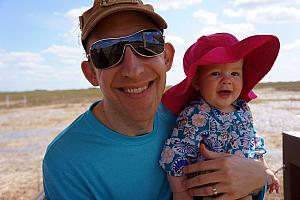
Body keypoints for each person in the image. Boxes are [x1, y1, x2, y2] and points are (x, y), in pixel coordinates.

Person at [42, 0, 270, 199]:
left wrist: (258, 177)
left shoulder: (187, 117)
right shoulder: (66, 162)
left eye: (147, 44)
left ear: (167, 57)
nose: (133, 69)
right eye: (107, 52)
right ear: (91, 73)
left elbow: (243, 170)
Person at [159, 33, 280, 200]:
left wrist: (265, 171)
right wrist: (180, 193)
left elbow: (253, 142)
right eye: (216, 73)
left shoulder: (243, 109)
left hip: (244, 189)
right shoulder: (195, 116)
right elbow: (175, 155)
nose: (227, 80)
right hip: (210, 192)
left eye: (235, 73)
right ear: (196, 82)